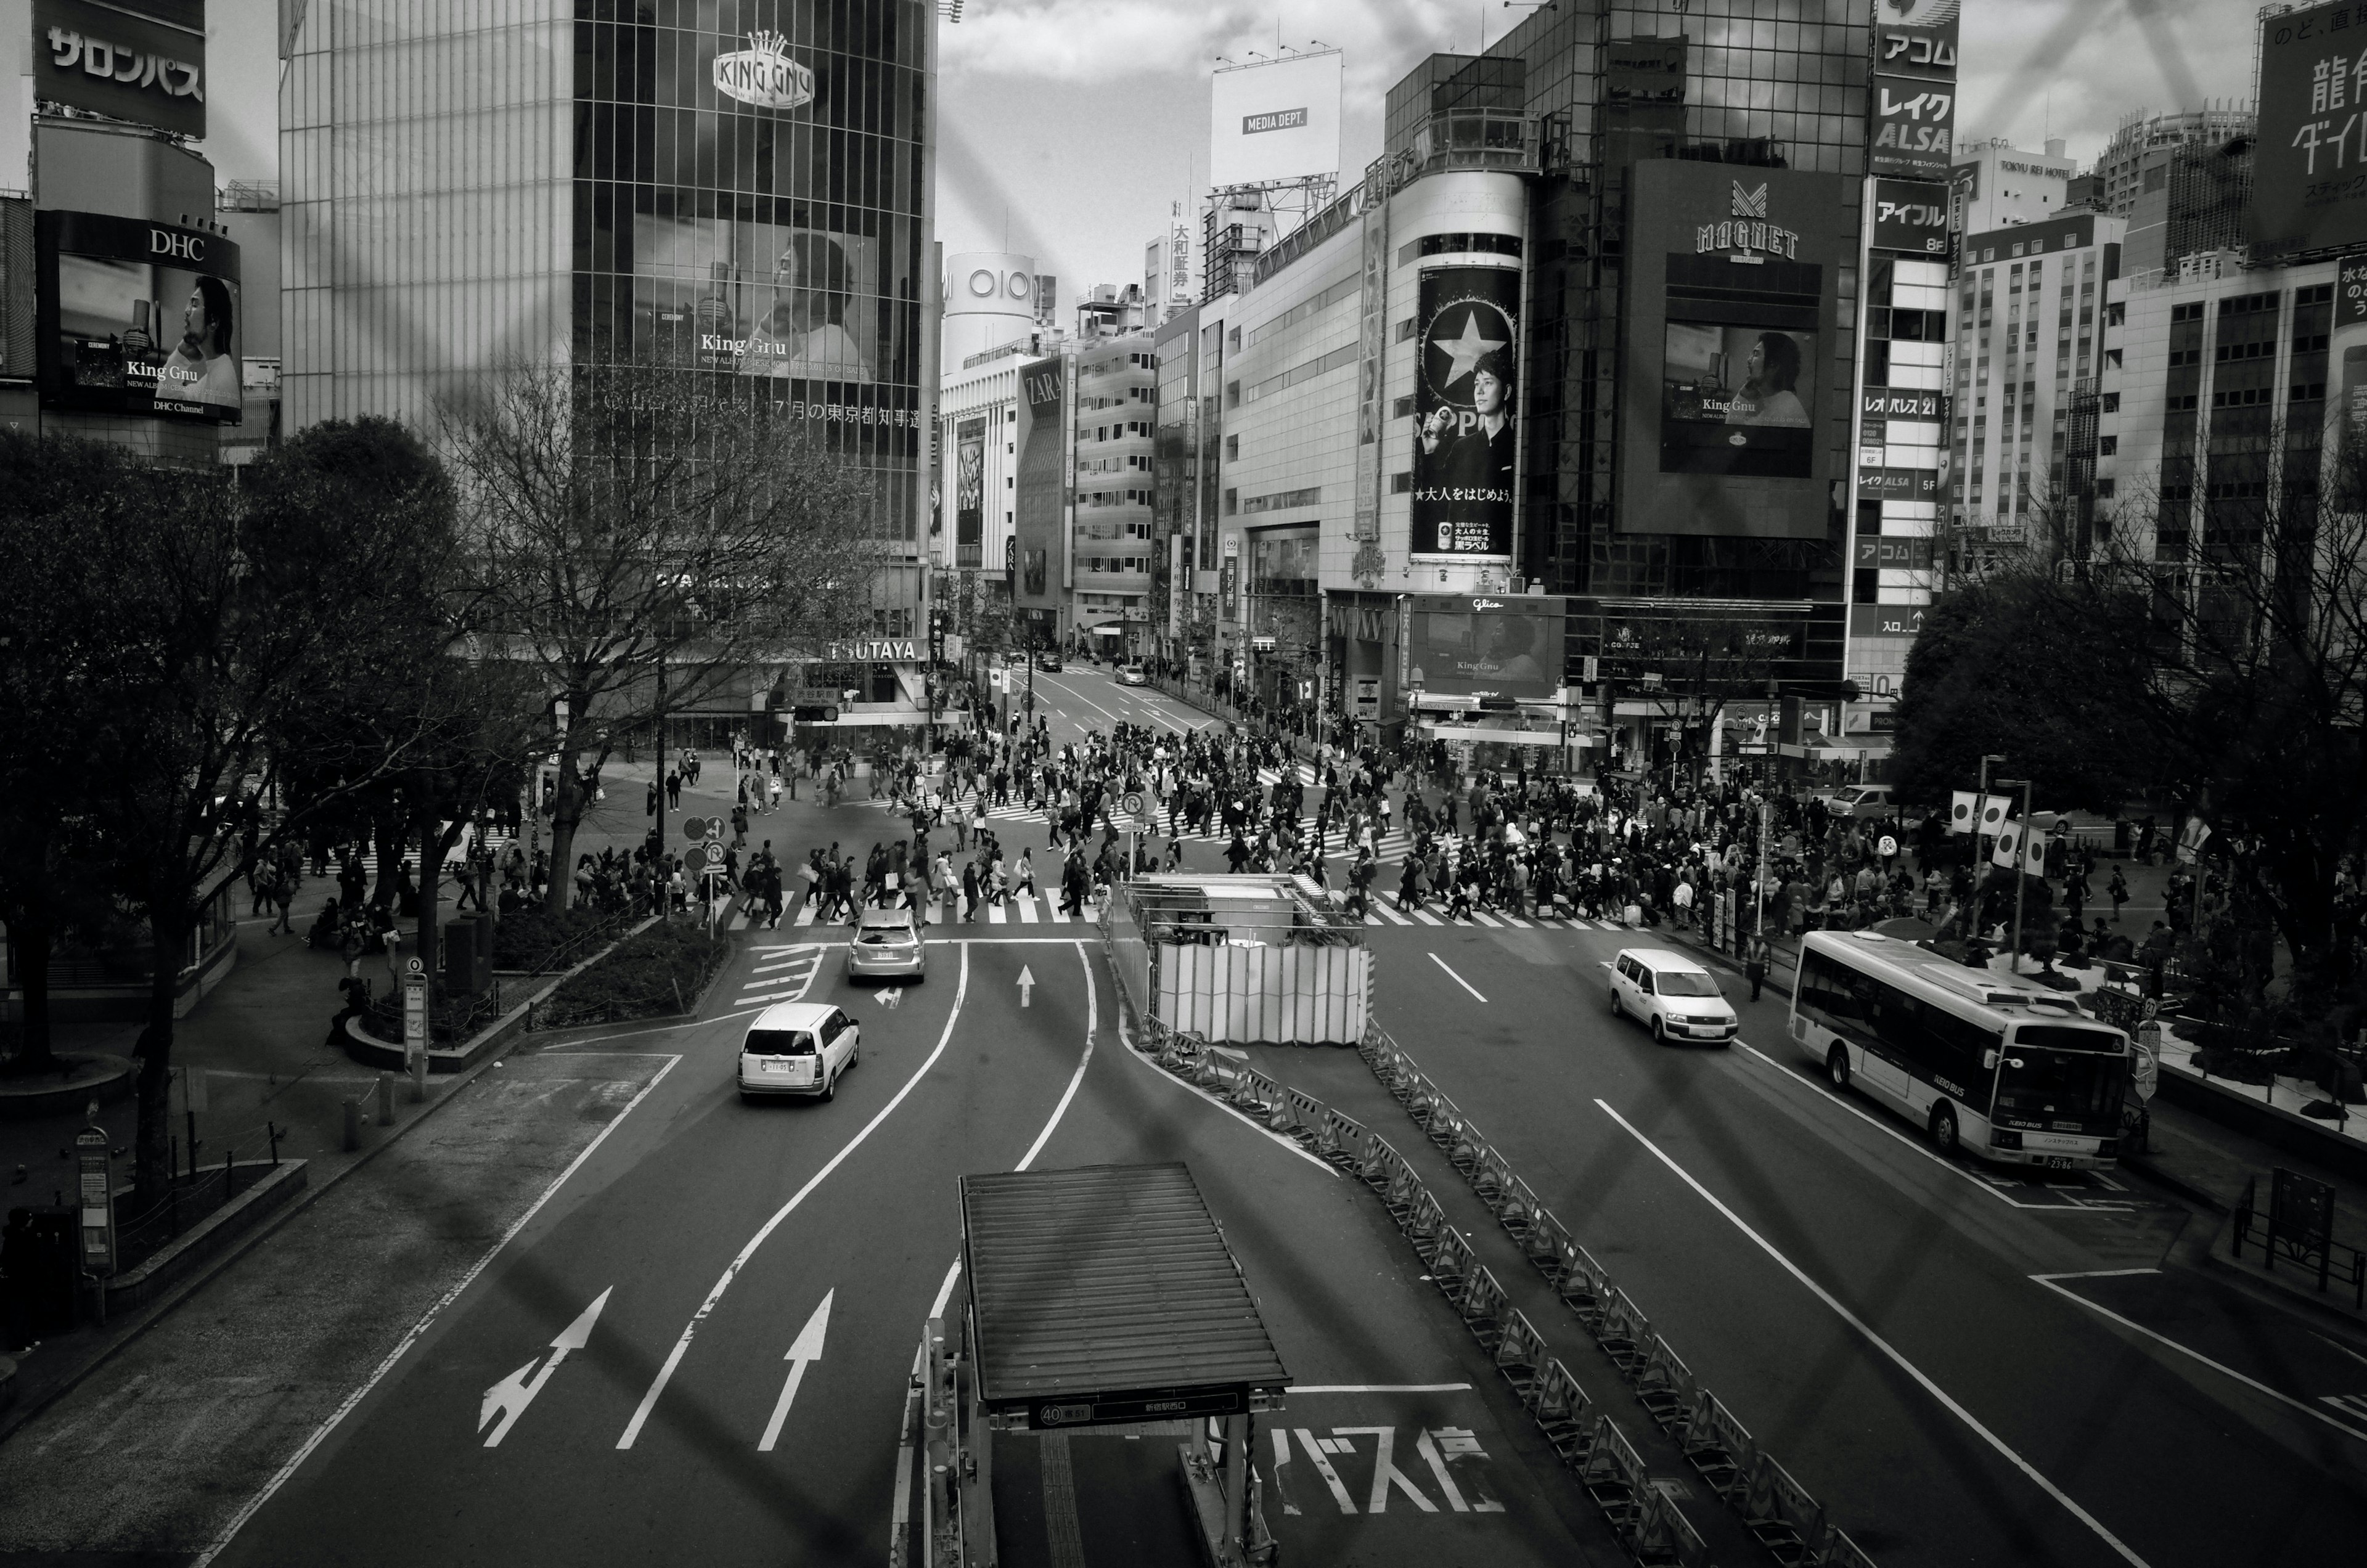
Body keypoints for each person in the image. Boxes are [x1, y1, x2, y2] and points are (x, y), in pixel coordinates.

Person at [153, 276, 240, 415]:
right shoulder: (212, 379)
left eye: (194, 305)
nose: (187, 311)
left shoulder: (223, 384)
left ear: (213, 321)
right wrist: (180, 357)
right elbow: (165, 402)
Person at [1733, 333, 1809, 427]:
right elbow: (1733, 431)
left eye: (1756, 354)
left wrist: (1741, 398)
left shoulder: (1785, 411)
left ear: (1773, 365)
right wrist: (1742, 396)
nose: (1749, 359)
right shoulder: (1776, 405)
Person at [1745, 933, 1770, 1002]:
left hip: (1760, 967)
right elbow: (1746, 955)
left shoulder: (1765, 947)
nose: (1758, 939)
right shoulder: (1750, 945)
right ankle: (1756, 994)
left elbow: (1766, 958)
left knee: (1758, 981)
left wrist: (1766, 968)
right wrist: (1744, 966)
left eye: (1759, 938)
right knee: (1754, 981)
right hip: (1752, 966)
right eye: (1757, 938)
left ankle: (1755, 995)